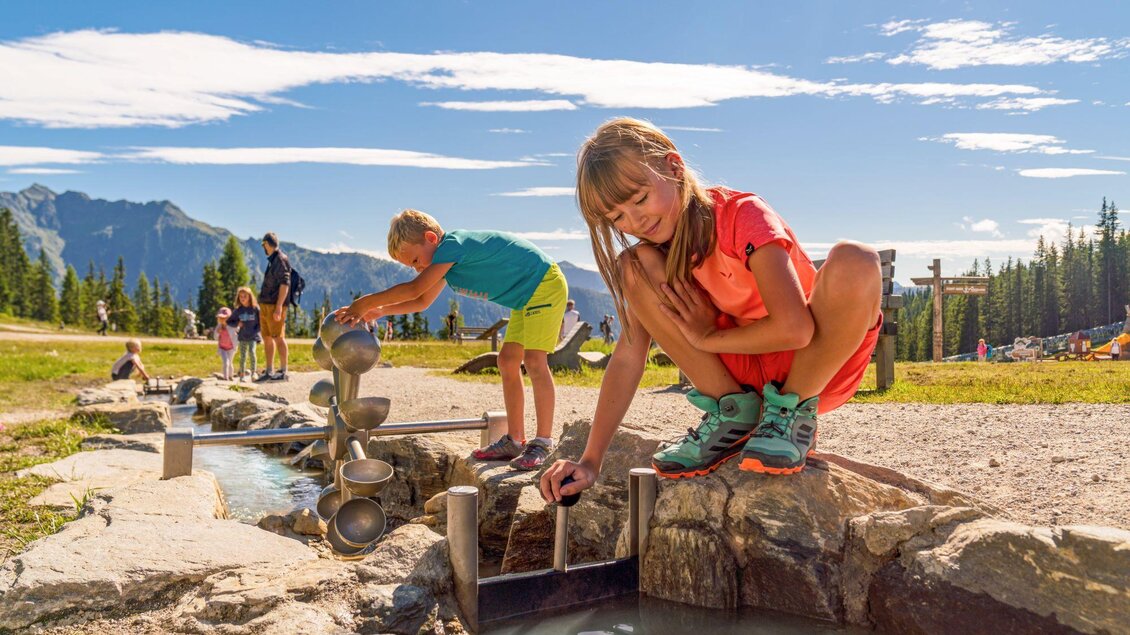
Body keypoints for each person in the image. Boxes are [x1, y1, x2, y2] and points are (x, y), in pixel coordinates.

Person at [540, 118, 882, 504]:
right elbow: (629, 354)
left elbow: (797, 328)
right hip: (739, 373)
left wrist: (708, 336)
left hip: (813, 365)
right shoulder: (656, 256)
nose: (635, 222)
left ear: (674, 166)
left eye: (639, 199)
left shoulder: (742, 215)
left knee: (857, 259)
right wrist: (590, 460)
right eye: (617, 217)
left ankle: (790, 414)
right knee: (631, 266)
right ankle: (734, 413)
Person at [335, 209, 568, 471]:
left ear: (431, 238)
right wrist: (380, 310)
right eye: (412, 266)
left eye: (415, 260)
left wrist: (364, 302)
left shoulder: (452, 246)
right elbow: (422, 301)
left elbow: (415, 289)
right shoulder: (444, 260)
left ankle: (543, 442)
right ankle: (515, 440)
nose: (418, 268)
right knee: (507, 361)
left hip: (544, 284)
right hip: (524, 297)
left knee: (535, 360)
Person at [256, 232, 291, 382]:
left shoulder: (280, 260)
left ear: (267, 244)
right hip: (265, 305)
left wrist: (278, 307)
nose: (263, 248)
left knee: (278, 338)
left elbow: (285, 284)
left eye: (264, 245)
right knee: (267, 338)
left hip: (274, 306)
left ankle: (283, 371)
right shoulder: (273, 260)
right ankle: (269, 370)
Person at [228, 286, 261, 381]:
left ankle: (254, 373)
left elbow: (260, 323)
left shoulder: (255, 309)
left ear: (250, 297)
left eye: (245, 296)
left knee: (252, 353)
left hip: (253, 336)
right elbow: (229, 321)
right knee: (243, 356)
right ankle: (242, 374)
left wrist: (256, 332)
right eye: (240, 296)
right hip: (242, 337)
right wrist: (237, 323)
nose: (242, 298)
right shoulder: (238, 310)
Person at [214, 307, 237, 381]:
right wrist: (218, 332)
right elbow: (215, 337)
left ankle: (231, 376)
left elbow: (237, 332)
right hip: (222, 348)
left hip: (231, 348)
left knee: (230, 362)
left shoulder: (232, 327)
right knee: (226, 362)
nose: (222, 320)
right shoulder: (219, 327)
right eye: (221, 318)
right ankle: (225, 377)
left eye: (224, 318)